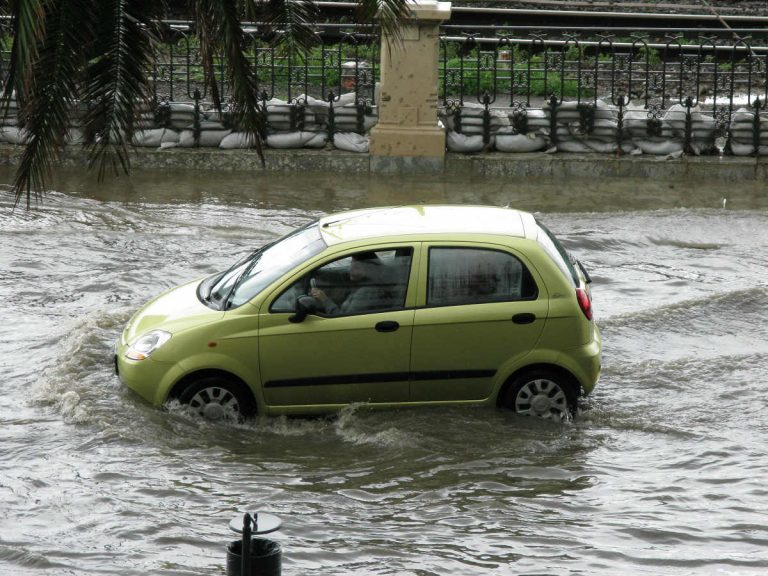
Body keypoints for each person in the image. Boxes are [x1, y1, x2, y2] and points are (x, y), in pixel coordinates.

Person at [310, 253, 385, 316]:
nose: (351, 269)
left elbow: (342, 318)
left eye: (357, 267)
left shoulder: (366, 292)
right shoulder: (363, 284)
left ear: (369, 270)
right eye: (351, 263)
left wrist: (324, 299)